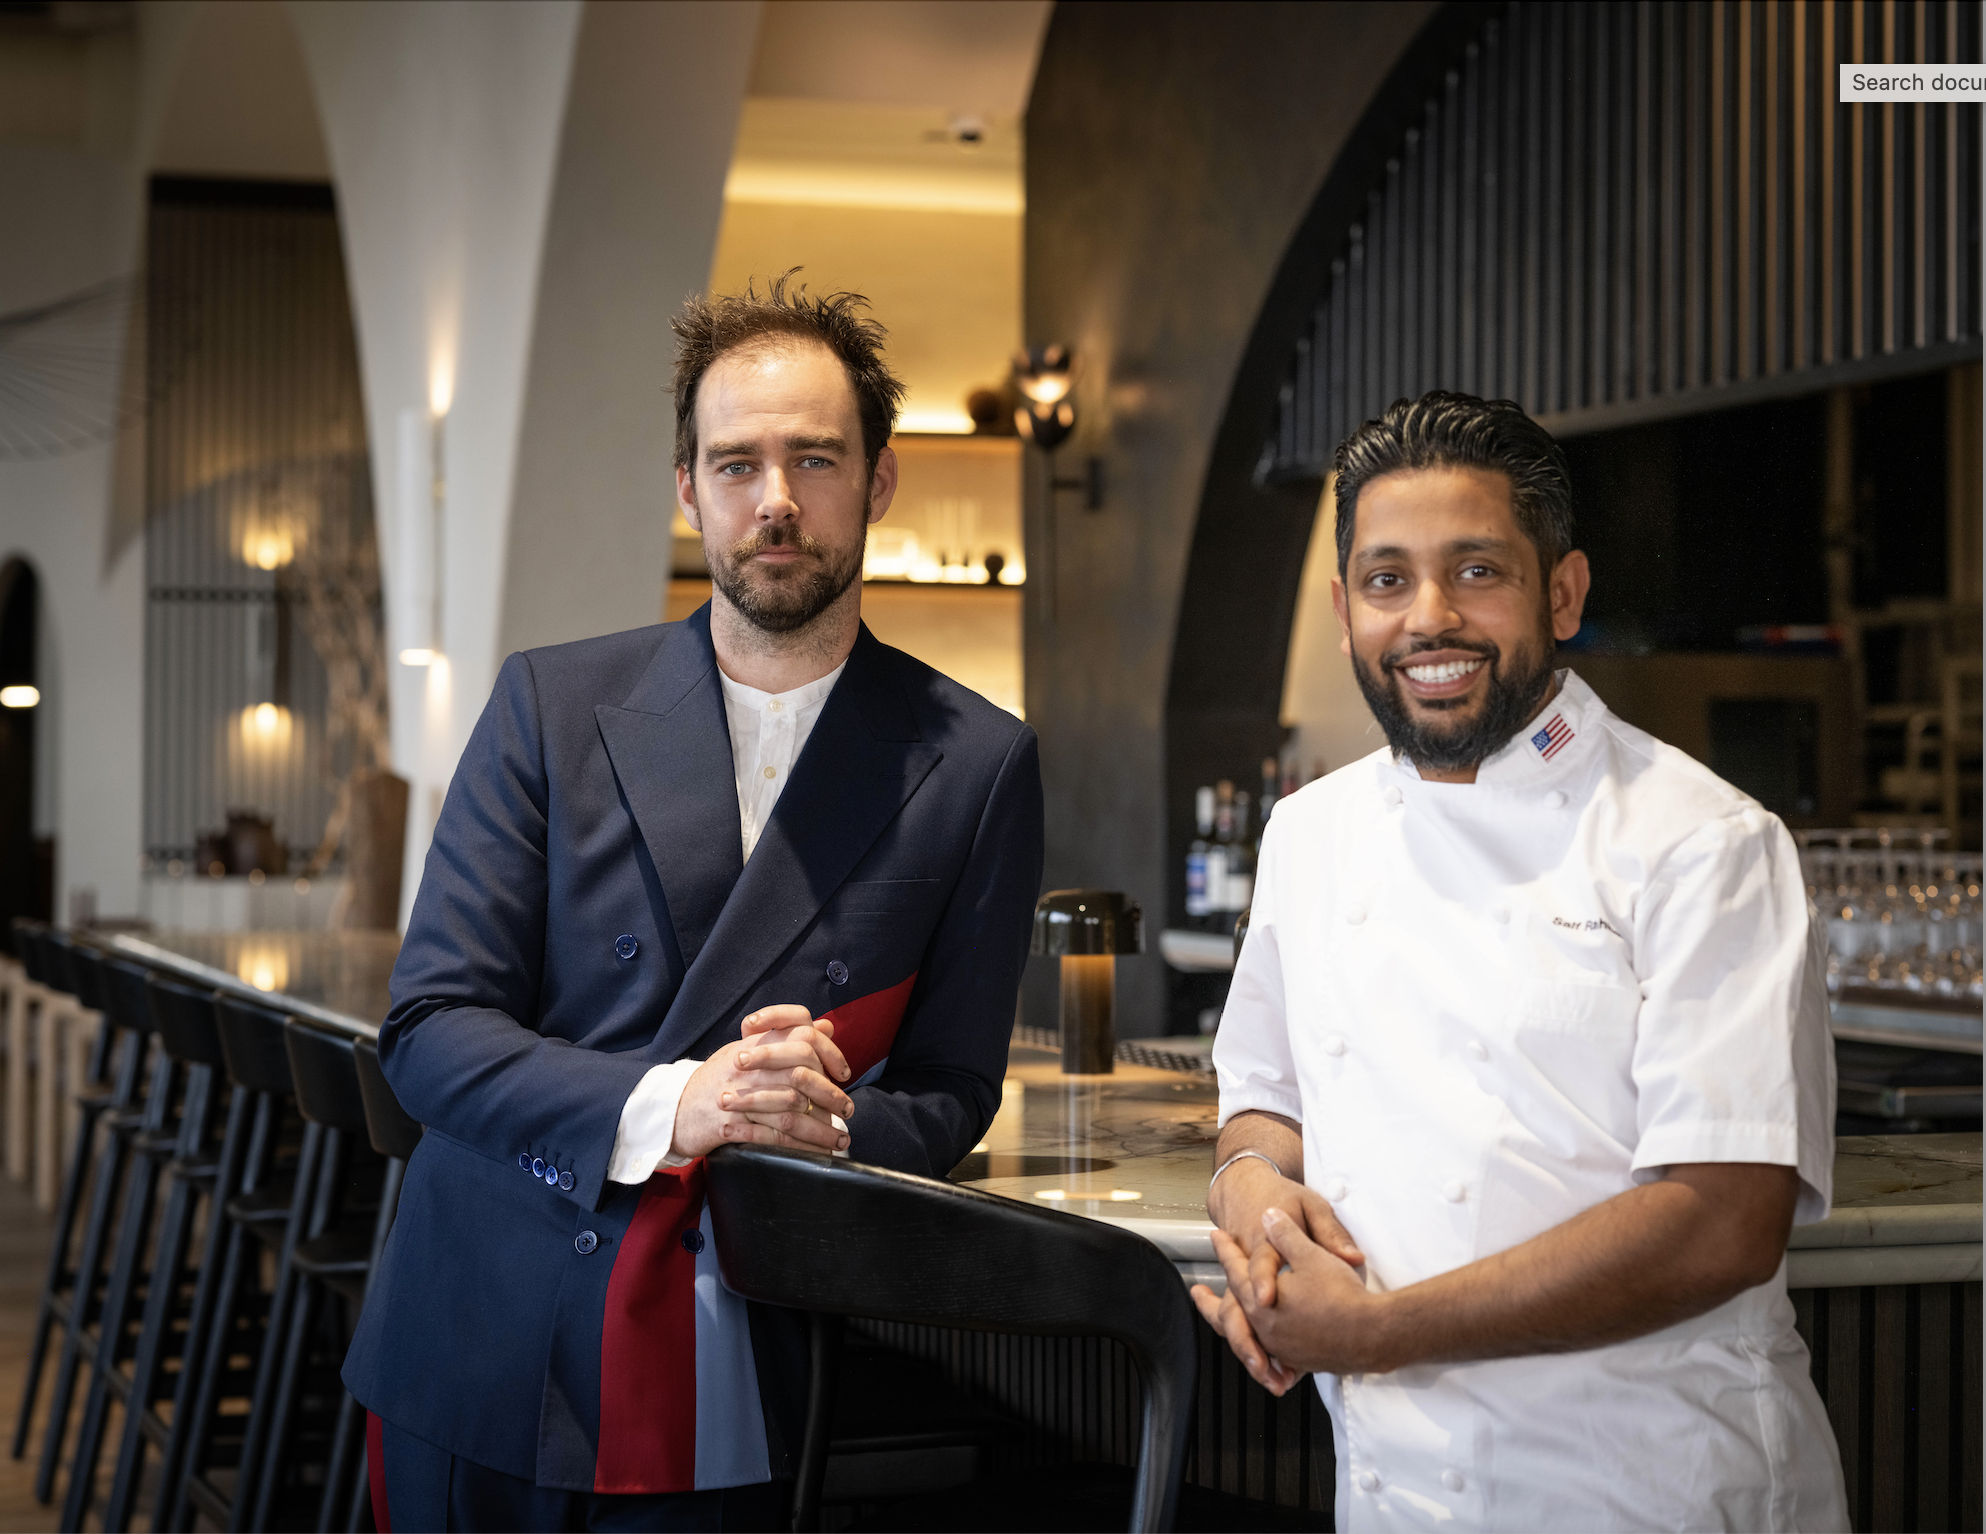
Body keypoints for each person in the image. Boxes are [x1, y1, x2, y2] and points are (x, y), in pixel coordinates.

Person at [343, 274, 1044, 1531]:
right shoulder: (550, 707)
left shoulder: (978, 760)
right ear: (688, 488)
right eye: (736, 465)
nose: (775, 501)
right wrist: (687, 1099)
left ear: (880, 481)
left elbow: (952, 1088)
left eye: (815, 460)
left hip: (738, 1342)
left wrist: (822, 1120)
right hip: (486, 1321)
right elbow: (431, 1030)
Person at [1195, 391, 1846, 1532]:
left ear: (1563, 592)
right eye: (1389, 579)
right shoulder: (1310, 832)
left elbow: (1725, 1218)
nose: (1429, 618)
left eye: (1478, 571)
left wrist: (1375, 1331)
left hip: (1653, 1488)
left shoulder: (1703, 842)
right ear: (1346, 610)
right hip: (1393, 1493)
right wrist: (1252, 1198)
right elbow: (1260, 1099)